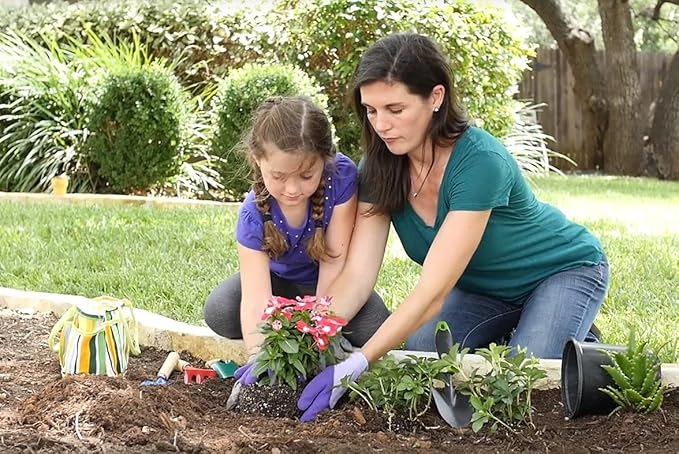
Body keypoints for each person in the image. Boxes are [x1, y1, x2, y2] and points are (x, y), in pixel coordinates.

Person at [296, 32, 609, 422]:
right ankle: (533, 327)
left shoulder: (480, 161)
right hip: (484, 289)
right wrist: (303, 339)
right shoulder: (379, 167)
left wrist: (358, 362)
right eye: (371, 111)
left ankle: (577, 338)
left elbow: (432, 293)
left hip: (561, 271)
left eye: (395, 108)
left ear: (436, 97)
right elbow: (357, 276)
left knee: (520, 377)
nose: (381, 125)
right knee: (422, 349)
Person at [203, 96, 390, 385]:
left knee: (375, 325)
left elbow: (334, 261)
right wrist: (258, 357)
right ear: (257, 160)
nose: (292, 189)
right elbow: (256, 298)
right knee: (220, 311)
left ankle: (295, 326)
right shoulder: (252, 215)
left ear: (324, 160)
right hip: (277, 288)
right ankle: (287, 324)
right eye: (279, 176)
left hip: (330, 286)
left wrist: (320, 332)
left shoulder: (340, 178)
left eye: (306, 175)